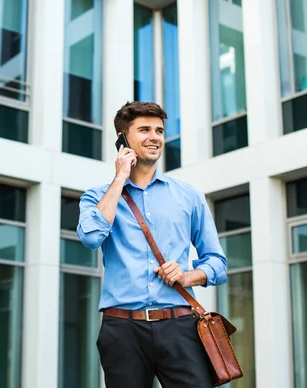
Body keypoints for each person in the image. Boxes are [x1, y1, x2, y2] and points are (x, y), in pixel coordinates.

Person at [77, 101, 227, 388]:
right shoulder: (98, 196)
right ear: (123, 140)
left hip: (180, 326)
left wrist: (186, 275)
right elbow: (90, 236)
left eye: (158, 130)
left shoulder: (189, 196)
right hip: (122, 329)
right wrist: (120, 177)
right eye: (144, 129)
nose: (155, 137)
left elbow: (217, 263)